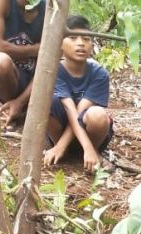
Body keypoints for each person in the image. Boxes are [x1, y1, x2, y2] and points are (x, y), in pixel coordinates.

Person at [43, 15, 113, 172]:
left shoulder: (99, 73)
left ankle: (91, 152)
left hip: (90, 134)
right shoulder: (55, 71)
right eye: (72, 38)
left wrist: (89, 147)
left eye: (86, 39)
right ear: (60, 43)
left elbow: (79, 113)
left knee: (97, 114)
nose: (81, 43)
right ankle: (63, 150)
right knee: (46, 102)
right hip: (59, 132)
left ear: (92, 44)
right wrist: (60, 145)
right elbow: (69, 109)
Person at [0, 0, 46, 126]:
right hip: (9, 78)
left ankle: (20, 106)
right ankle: (9, 107)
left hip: (39, 79)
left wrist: (21, 101)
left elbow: (51, 60)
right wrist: (36, 50)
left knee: (57, 66)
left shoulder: (51, 6)